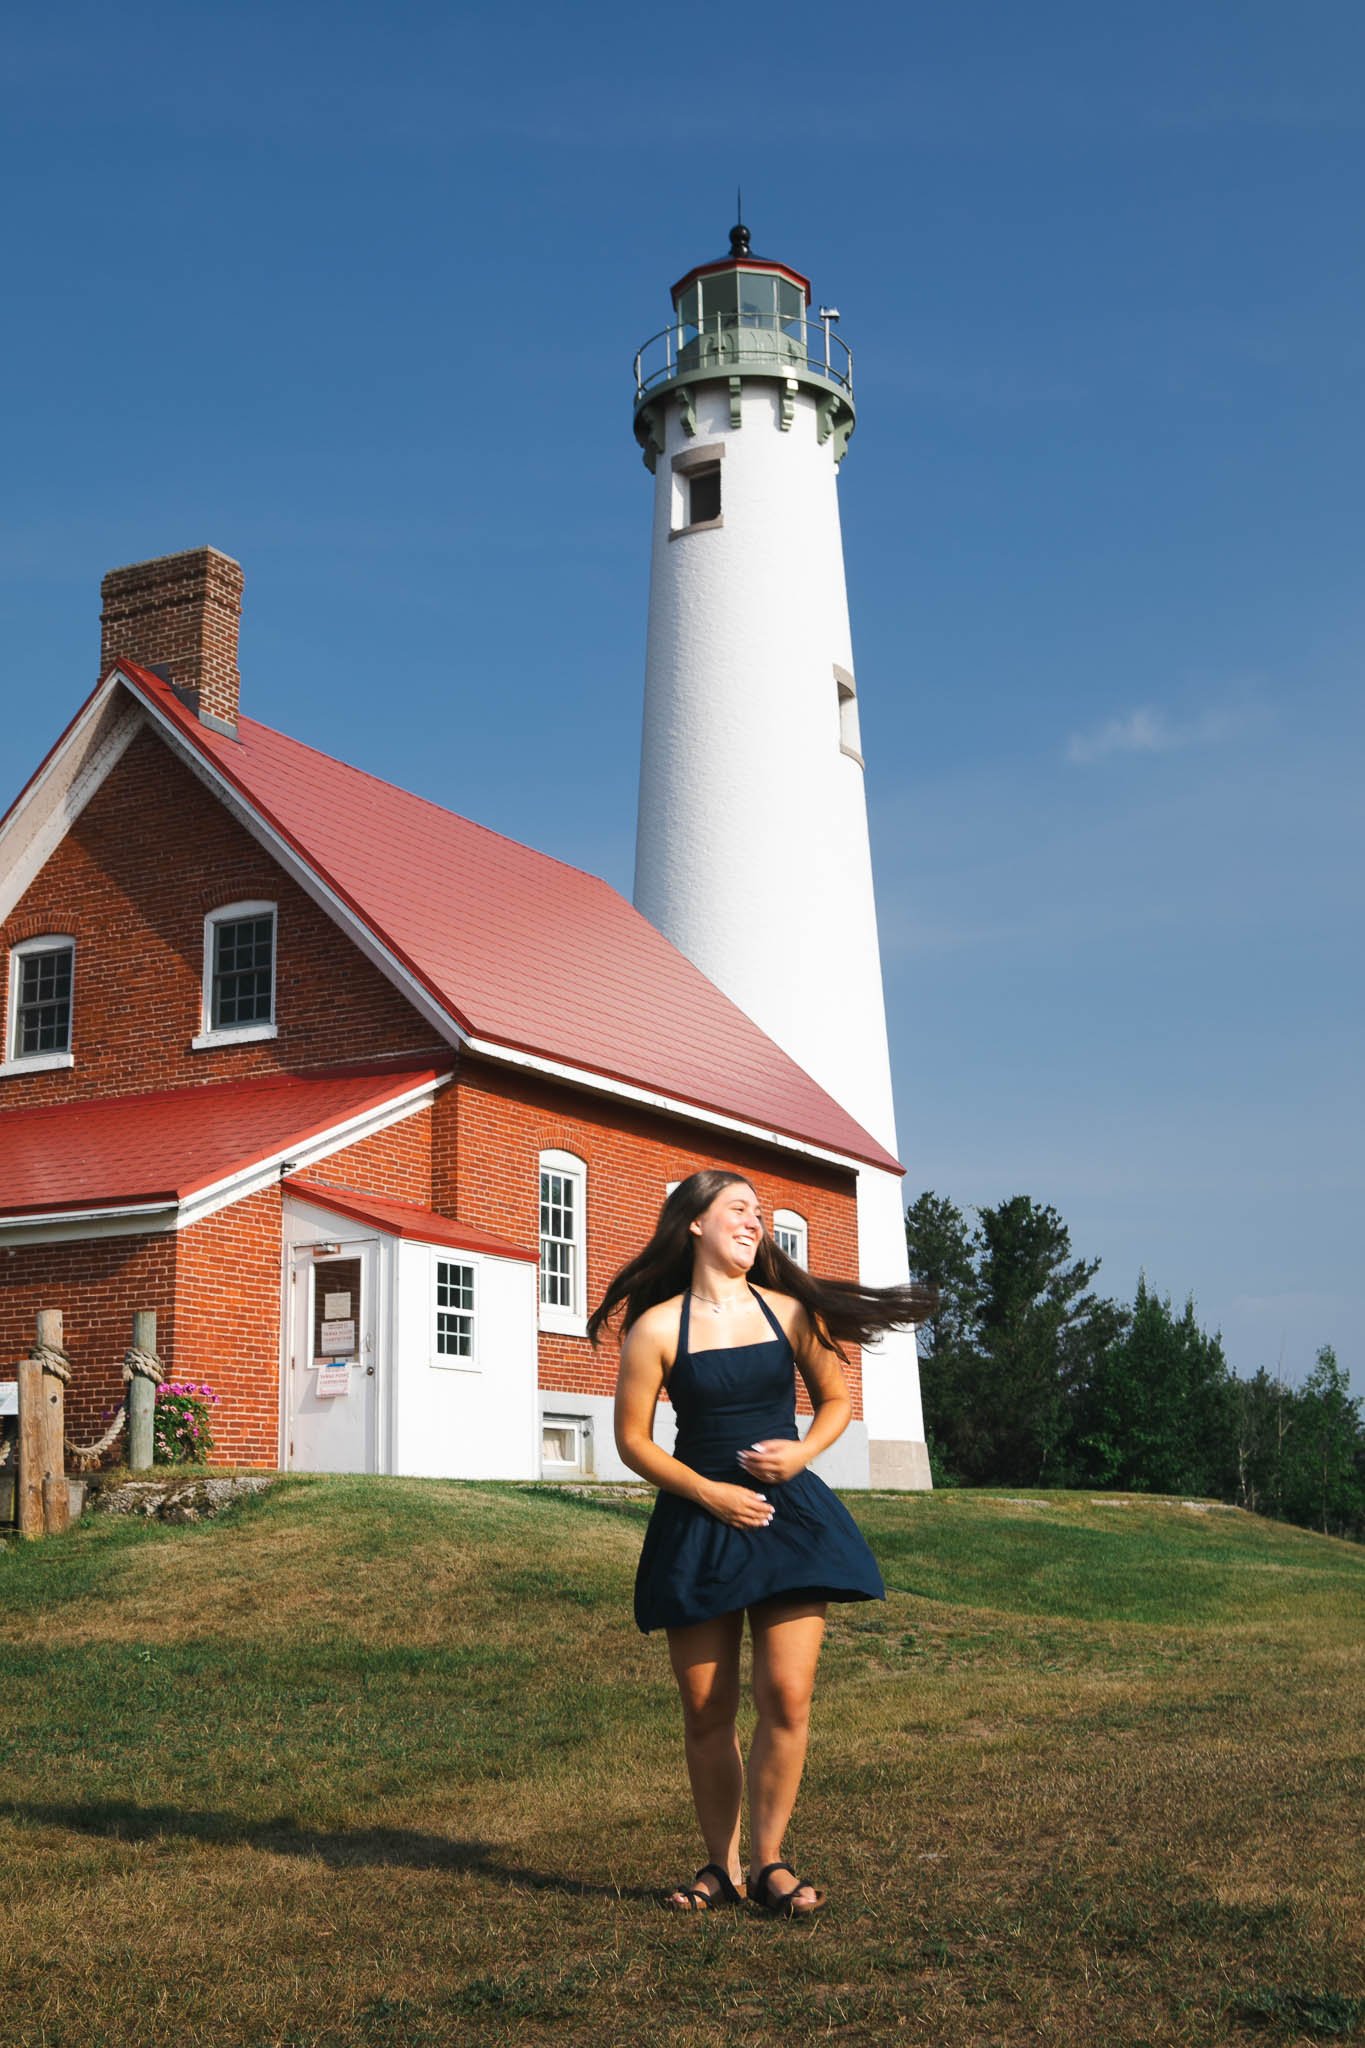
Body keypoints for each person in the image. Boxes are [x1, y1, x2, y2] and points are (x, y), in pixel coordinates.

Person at [588, 1168, 930, 1917]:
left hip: (788, 1522)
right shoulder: (655, 1328)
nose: (754, 1223)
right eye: (738, 1210)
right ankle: (721, 1868)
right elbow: (631, 1442)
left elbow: (837, 1400)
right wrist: (707, 1491)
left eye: (759, 1215)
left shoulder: (787, 1311)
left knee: (787, 1696)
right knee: (706, 1708)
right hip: (698, 1521)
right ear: (694, 1225)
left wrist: (800, 1454)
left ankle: (770, 1864)